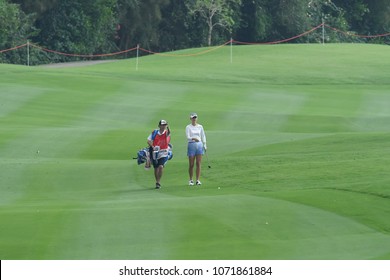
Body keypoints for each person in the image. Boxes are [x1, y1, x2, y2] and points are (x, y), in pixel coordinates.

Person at [147, 120, 171, 189]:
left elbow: (169, 133)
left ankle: (158, 182)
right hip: (155, 152)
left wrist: (168, 127)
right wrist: (153, 147)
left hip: (164, 152)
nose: (163, 126)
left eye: (165, 125)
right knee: (156, 167)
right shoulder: (154, 132)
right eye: (162, 125)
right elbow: (148, 141)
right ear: (159, 126)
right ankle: (157, 181)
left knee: (161, 166)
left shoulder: (166, 132)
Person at [185, 113, 207, 186]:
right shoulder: (188, 127)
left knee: (198, 163)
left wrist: (205, 144)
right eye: (193, 118)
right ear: (190, 119)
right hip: (191, 145)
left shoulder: (200, 126)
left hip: (199, 145)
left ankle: (197, 180)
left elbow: (203, 136)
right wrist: (193, 138)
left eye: (195, 117)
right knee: (191, 164)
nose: (194, 119)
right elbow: (188, 136)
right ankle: (191, 180)